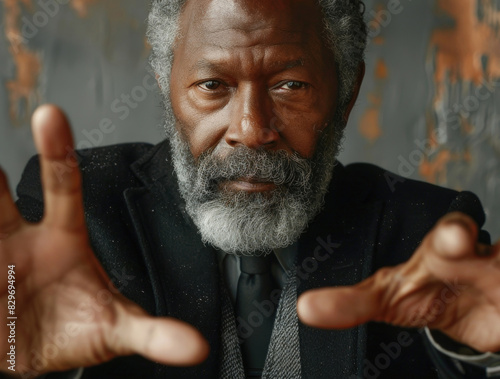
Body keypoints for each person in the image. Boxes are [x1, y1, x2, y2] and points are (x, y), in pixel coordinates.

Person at [1, 0, 499, 378]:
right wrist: (9, 346)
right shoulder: (82, 211)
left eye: (290, 85)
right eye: (213, 85)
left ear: (346, 94)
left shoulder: (423, 233)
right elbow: (17, 327)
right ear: (164, 83)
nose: (251, 129)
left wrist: (485, 355)